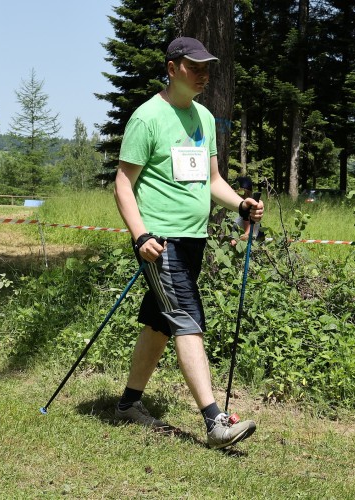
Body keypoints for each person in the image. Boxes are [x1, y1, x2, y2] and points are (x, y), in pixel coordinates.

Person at [113, 36, 264, 450]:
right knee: (187, 319)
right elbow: (123, 184)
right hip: (159, 243)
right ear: (172, 67)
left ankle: (128, 404)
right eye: (195, 66)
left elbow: (213, 181)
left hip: (193, 239)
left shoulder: (204, 118)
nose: (203, 74)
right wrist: (139, 234)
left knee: (161, 323)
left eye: (206, 67)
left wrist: (241, 204)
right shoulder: (148, 118)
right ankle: (215, 421)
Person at [230, 176, 262, 246]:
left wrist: (235, 241)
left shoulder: (248, 209)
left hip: (251, 243)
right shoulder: (234, 209)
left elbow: (247, 234)